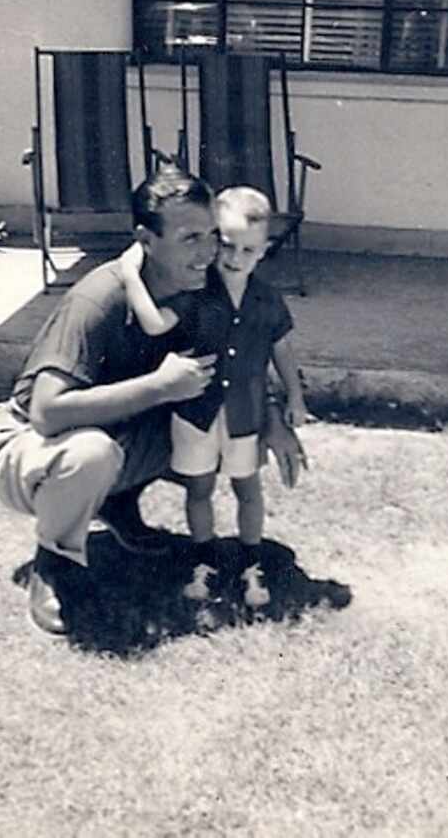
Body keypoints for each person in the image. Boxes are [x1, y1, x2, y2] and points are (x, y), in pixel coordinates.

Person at [0, 165, 306, 635]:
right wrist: (160, 387)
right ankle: (53, 561)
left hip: (116, 426)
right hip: (29, 446)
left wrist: (272, 416)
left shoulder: (200, 291)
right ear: (145, 240)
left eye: (213, 235)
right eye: (190, 238)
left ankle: (117, 503)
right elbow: (46, 413)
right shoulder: (102, 296)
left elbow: (235, 363)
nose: (209, 251)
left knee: (202, 427)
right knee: (93, 453)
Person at [118, 186, 308, 608]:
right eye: (226, 244)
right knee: (198, 488)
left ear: (263, 251)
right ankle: (203, 558)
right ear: (213, 238)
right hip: (196, 410)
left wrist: (295, 396)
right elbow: (153, 324)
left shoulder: (266, 299)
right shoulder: (197, 292)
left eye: (248, 249)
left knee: (248, 487)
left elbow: (282, 348)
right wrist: (129, 274)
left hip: (246, 413)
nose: (236, 257)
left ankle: (250, 560)